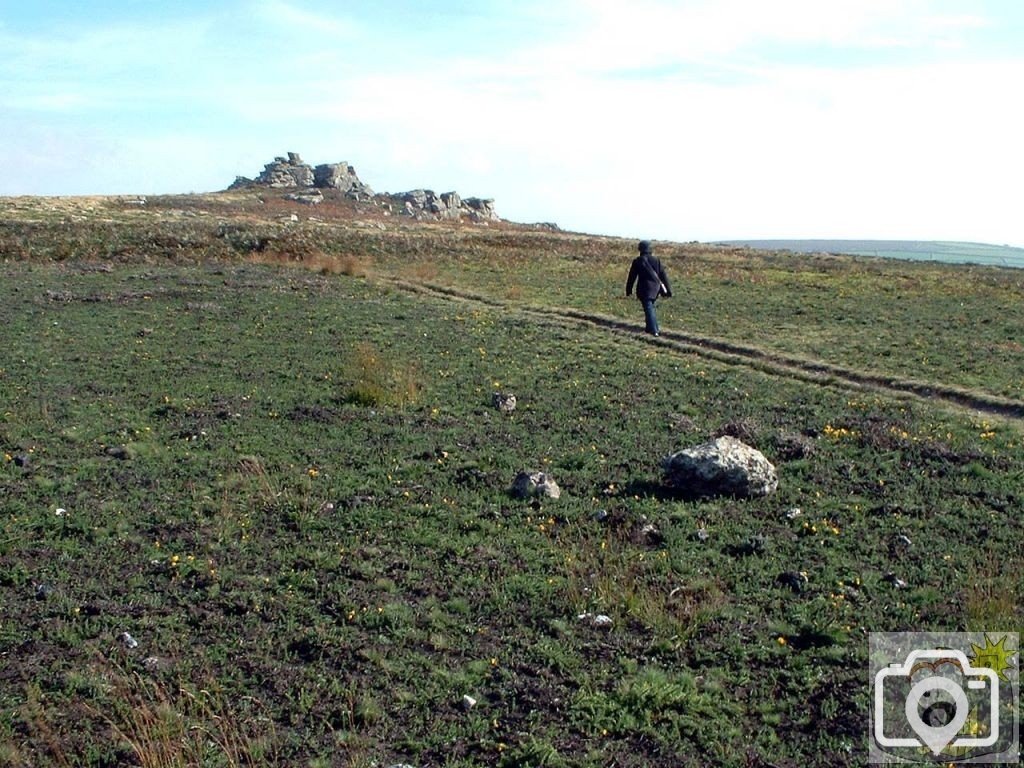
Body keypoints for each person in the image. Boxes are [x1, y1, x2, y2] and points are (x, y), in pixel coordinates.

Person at [625, 240, 672, 336]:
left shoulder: (637, 261)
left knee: (648, 308)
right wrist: (668, 291)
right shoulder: (656, 260)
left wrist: (629, 290)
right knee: (649, 307)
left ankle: (654, 330)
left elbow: (632, 277)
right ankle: (648, 328)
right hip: (656, 289)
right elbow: (663, 276)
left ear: (640, 249)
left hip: (644, 289)